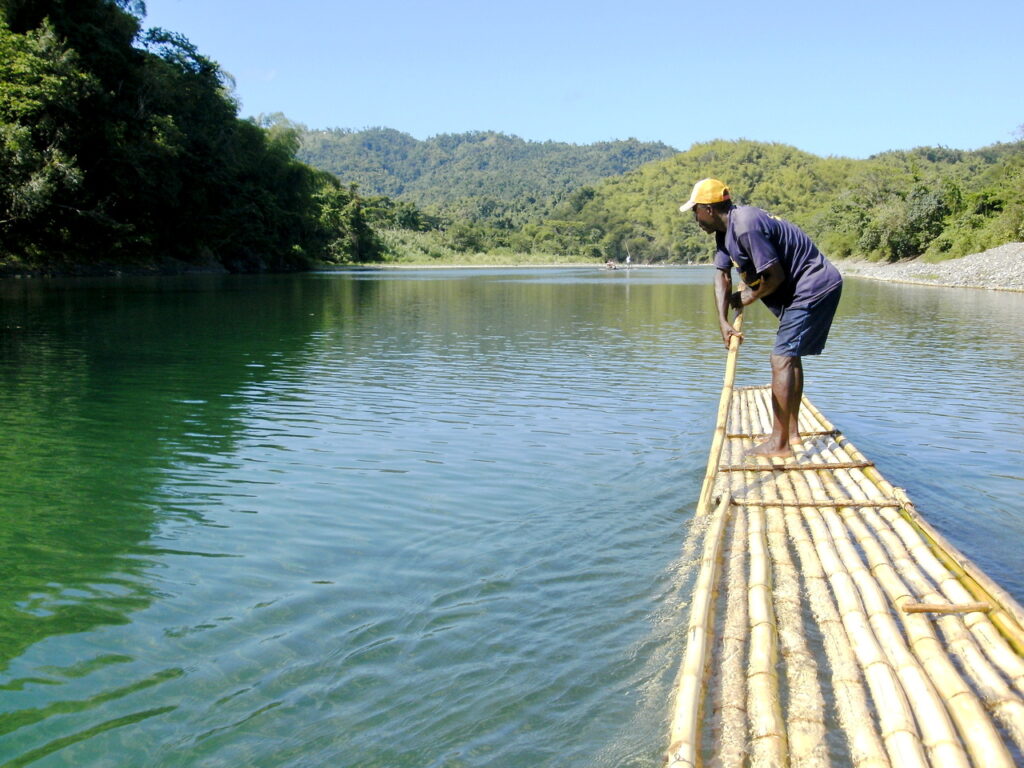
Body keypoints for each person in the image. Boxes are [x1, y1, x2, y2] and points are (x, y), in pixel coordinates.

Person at [680, 178, 843, 459]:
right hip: (800, 291)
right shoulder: (725, 233)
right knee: (789, 356)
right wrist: (723, 321)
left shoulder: (746, 224)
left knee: (781, 358)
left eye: (695, 211)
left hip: (813, 285)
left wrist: (749, 297)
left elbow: (775, 275)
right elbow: (722, 276)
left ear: (707, 208)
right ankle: (790, 433)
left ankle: (779, 445)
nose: (695, 219)